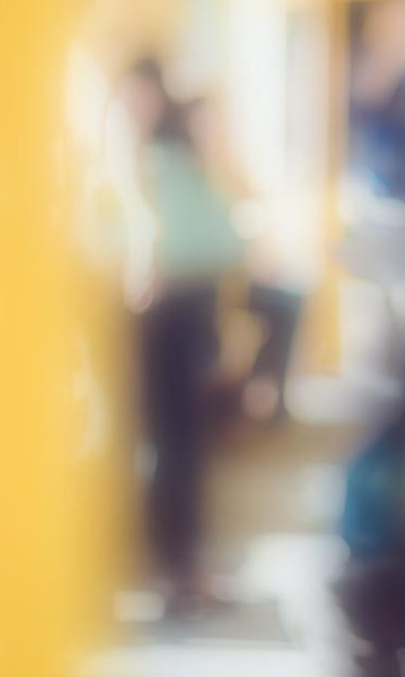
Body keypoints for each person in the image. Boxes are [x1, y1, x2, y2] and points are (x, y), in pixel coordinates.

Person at [123, 56, 244, 621]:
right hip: (158, 313)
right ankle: (172, 570)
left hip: (187, 307)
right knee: (171, 447)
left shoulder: (181, 162)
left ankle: (182, 567)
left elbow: (225, 237)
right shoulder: (144, 162)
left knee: (184, 447)